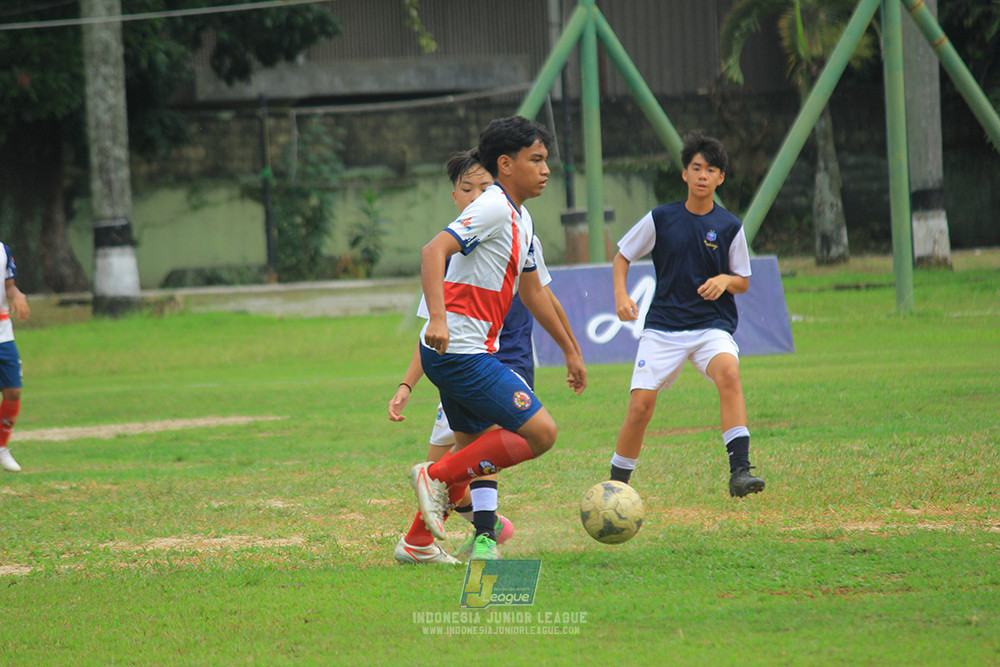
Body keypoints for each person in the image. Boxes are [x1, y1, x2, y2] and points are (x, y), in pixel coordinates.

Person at [390, 149, 582, 565]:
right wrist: (409, 379)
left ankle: (423, 542)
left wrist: (570, 349)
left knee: (473, 451)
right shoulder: (488, 214)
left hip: (481, 352)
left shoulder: (520, 221)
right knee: (538, 434)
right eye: (537, 159)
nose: (546, 169)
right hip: (464, 353)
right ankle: (440, 483)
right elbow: (431, 259)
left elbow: (535, 292)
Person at [607, 131, 765, 498]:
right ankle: (616, 486)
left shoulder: (729, 226)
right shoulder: (661, 219)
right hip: (663, 328)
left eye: (711, 170)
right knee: (641, 407)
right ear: (684, 174)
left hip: (711, 327)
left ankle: (740, 471)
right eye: (696, 168)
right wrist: (620, 294)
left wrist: (725, 280)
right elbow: (622, 256)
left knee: (729, 372)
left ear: (720, 178)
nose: (702, 175)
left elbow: (742, 281)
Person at [0, 244, 30, 473]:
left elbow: (9, 287)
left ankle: (1, 448)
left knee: (13, 392)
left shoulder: (3, 250)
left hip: (3, 333)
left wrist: (17, 296)